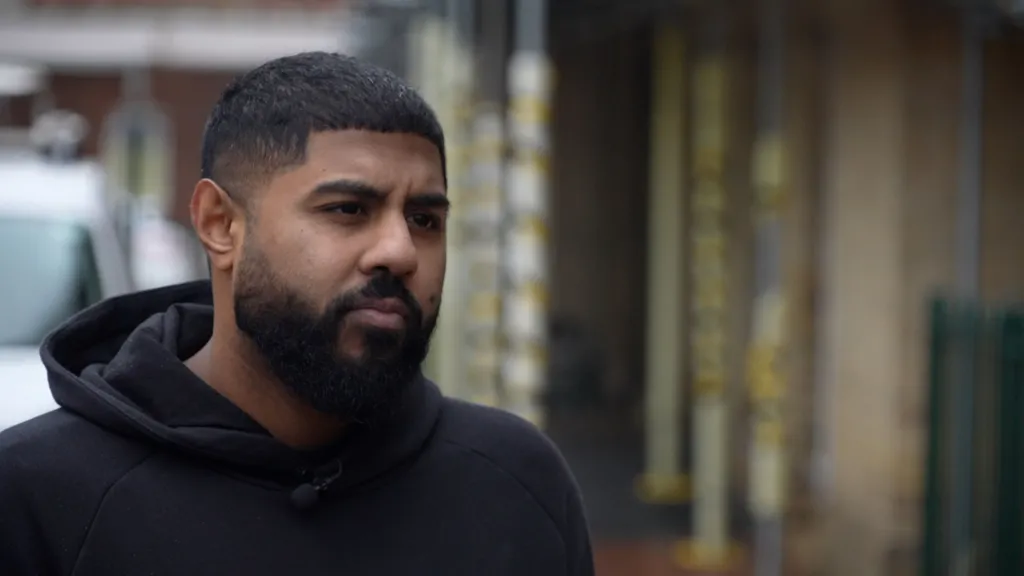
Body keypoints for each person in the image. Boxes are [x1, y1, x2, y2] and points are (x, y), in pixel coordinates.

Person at [0, 52, 593, 576]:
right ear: (219, 224)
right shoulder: (39, 497)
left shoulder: (514, 483)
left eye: (424, 219)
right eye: (347, 209)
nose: (400, 252)